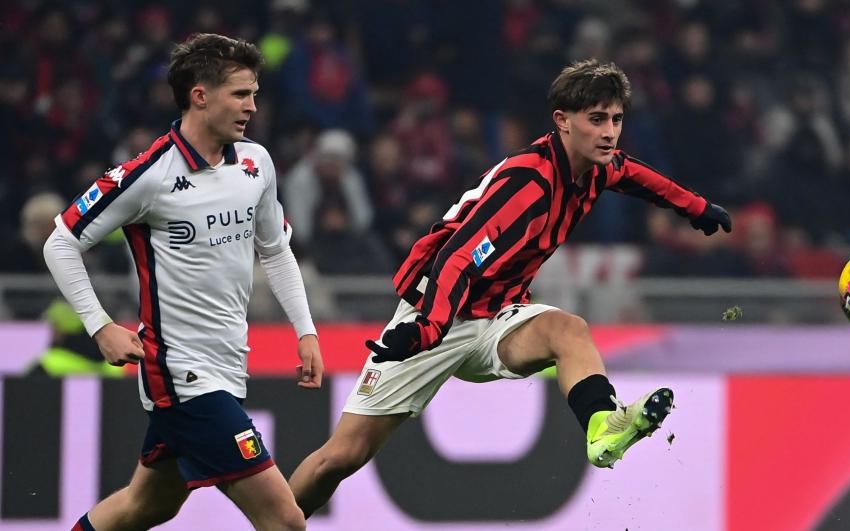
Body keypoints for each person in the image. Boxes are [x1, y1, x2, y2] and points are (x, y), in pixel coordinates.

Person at [288, 59, 732, 517]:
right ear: (562, 121)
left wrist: (695, 207)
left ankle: (603, 427)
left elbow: (635, 174)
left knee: (568, 330)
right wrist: (426, 329)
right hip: (440, 311)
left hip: (498, 314)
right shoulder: (527, 185)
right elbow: (457, 259)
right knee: (341, 458)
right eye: (596, 119)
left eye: (616, 119)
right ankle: (277, 520)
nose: (610, 132)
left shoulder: (596, 167)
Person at [43, 33, 322, 531]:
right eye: (240, 94)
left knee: (146, 505)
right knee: (285, 520)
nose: (252, 107)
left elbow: (275, 250)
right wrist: (100, 326)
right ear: (200, 95)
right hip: (181, 375)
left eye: (254, 94)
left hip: (228, 364)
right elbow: (60, 242)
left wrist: (306, 330)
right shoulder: (147, 176)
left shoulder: (256, 163)